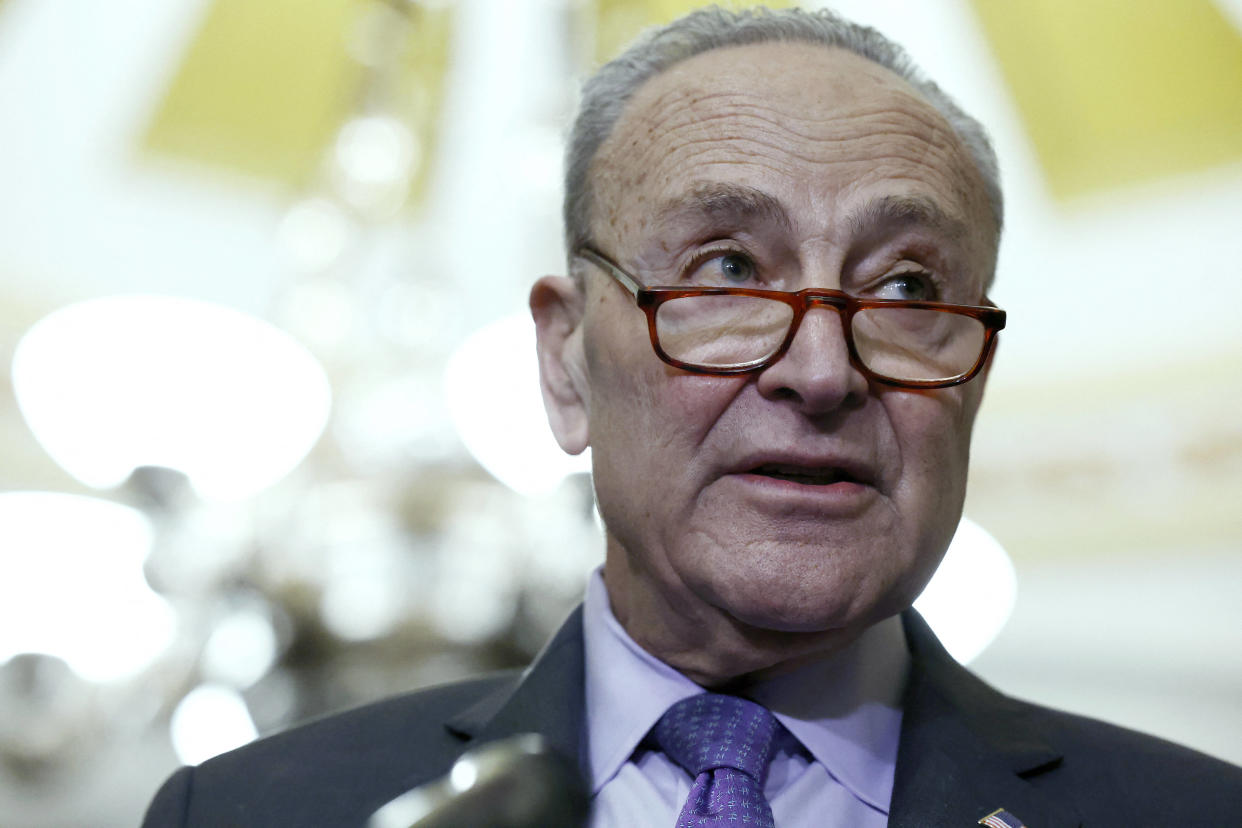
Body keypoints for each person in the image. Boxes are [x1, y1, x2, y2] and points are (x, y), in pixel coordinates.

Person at [143, 6, 1242, 827]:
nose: (822, 371)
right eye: (727, 269)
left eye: (906, 289)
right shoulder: (255, 813)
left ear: (976, 380)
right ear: (567, 364)